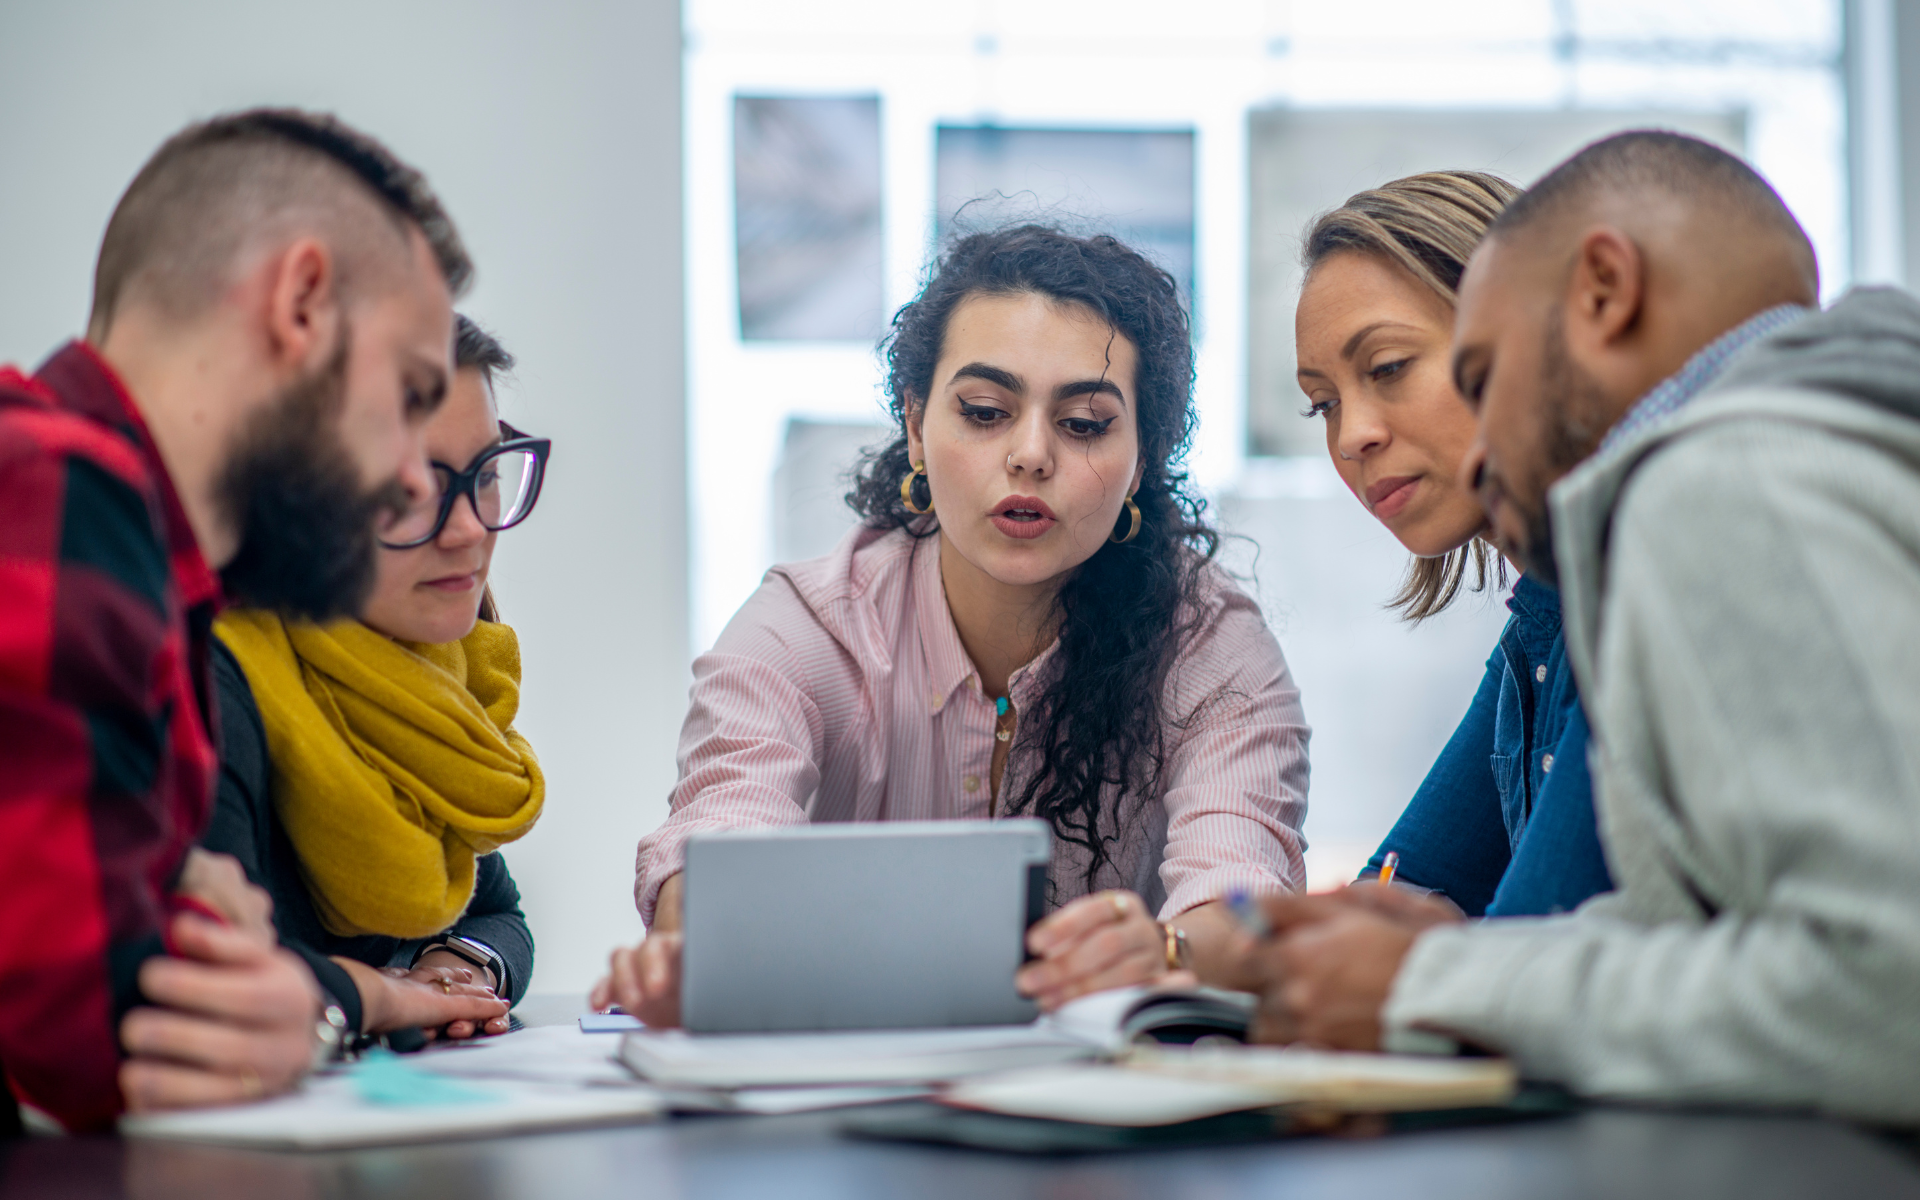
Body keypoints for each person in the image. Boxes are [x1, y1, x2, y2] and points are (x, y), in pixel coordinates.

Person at [1248, 130, 1920, 1123]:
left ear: (1603, 289)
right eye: (1322, 408)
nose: (1357, 439)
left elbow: (1886, 996)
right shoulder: (1822, 462)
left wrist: (1429, 983)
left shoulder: (1726, 485)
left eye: (1477, 374)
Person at [595, 225, 1310, 1026]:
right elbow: (722, 833)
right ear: (915, 427)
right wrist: (696, 940)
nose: (1030, 454)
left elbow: (1248, 898)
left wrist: (1173, 952)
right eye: (984, 411)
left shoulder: (1214, 650)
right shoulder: (804, 633)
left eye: (1083, 423)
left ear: (1142, 460)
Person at [0, 108, 506, 1132]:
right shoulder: (58, 491)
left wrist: (236, 959)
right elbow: (98, 1033)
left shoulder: (149, 561)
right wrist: (299, 1003)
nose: (412, 476)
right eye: (408, 396)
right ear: (301, 302)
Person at [204, 315, 549, 1045]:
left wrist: (459, 969)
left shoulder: (419, 673)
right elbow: (213, 977)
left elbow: (498, 915)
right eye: (412, 487)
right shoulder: (218, 678)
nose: (470, 530)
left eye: (486, 474)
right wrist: (381, 999)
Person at [1294, 172, 1612, 917]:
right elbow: (1389, 900)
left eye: (1389, 368)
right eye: (1324, 406)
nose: (1352, 435)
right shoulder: (1533, 633)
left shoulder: (1624, 600)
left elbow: (1520, 958)